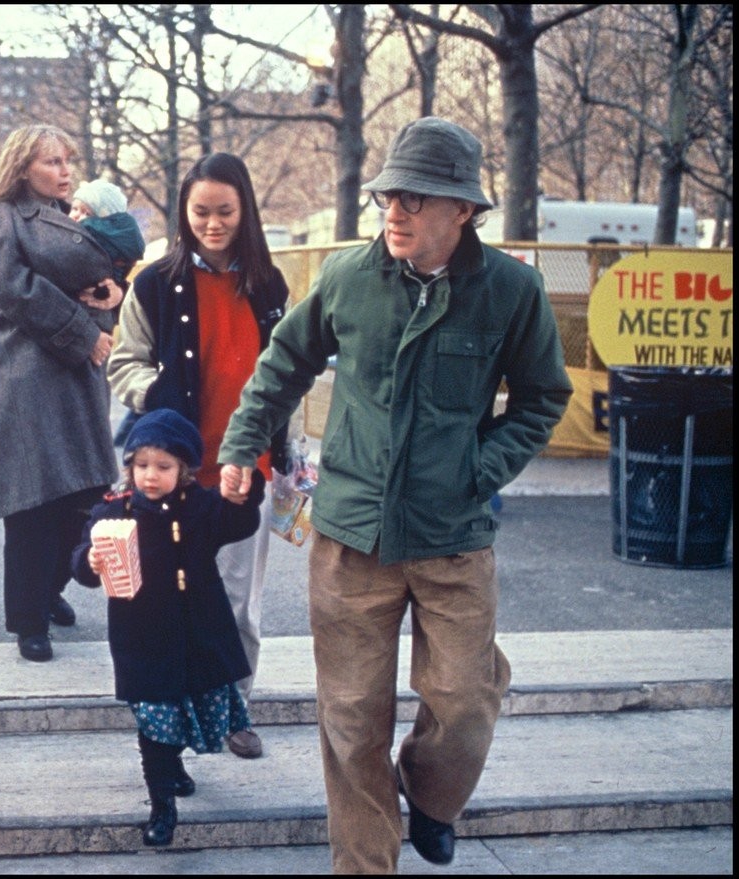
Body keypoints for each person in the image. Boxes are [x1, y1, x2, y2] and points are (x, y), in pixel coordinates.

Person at [218, 117, 573, 873]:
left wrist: (482, 467)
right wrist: (242, 442)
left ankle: (434, 797)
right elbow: (283, 363)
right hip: (350, 538)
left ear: (463, 211)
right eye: (388, 196)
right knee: (350, 721)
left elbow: (545, 396)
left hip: (454, 535)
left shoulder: (512, 290)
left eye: (417, 198)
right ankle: (366, 863)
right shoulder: (349, 276)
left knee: (467, 701)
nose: (395, 211)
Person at [107, 151, 289, 759]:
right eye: (201, 212)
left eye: (226, 212)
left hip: (245, 473)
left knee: (238, 603)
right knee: (166, 599)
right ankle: (171, 720)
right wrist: (155, 393)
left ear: (247, 211)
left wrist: (287, 455)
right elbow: (122, 362)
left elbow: (288, 373)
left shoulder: (269, 285)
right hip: (172, 476)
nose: (213, 224)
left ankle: (236, 709)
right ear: (184, 213)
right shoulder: (156, 282)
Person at [71, 409, 265, 848]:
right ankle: (163, 809)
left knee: (184, 711)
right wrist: (91, 559)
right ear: (129, 467)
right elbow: (81, 556)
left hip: (197, 632)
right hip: (141, 637)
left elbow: (240, 522)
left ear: (185, 470)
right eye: (141, 465)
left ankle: (174, 767)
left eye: (163, 467)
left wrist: (244, 495)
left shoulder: (201, 507)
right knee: (154, 720)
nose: (150, 476)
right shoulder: (113, 510)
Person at [0, 124, 124, 663]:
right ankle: (28, 618)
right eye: (52, 162)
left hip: (78, 372)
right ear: (22, 168)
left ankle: (51, 586)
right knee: (34, 498)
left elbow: (99, 284)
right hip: (29, 372)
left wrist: (113, 294)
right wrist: (84, 333)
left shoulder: (70, 219)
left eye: (67, 161)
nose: (65, 171)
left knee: (84, 493)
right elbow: (13, 289)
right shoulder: (2, 218)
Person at [68, 178, 147, 291]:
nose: (76, 215)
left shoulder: (95, 236)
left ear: (105, 220)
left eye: (87, 213)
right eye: (75, 209)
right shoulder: (123, 239)